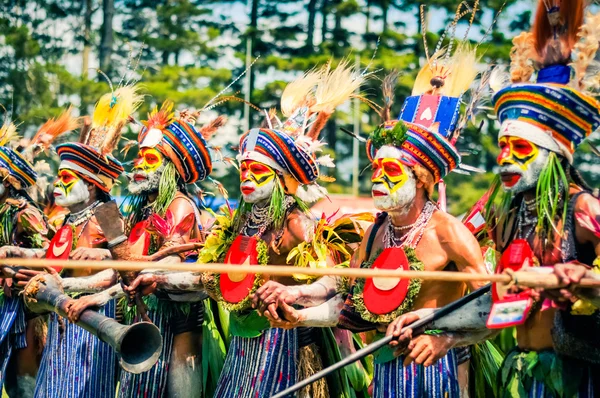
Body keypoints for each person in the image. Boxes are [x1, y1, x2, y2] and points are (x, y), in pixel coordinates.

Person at [255, 21, 493, 397]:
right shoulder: (376, 233)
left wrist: (444, 337)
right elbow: (344, 295)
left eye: (392, 171)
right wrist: (297, 305)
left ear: (424, 179)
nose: (378, 180)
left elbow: (491, 307)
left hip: (436, 371)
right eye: (377, 170)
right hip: (386, 372)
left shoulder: (449, 232)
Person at [66, 101, 224, 397]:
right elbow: (126, 269)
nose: (138, 165)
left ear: (171, 167)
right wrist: (71, 285)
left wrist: (97, 296)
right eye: (138, 158)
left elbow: (159, 269)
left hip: (178, 325)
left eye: (149, 159)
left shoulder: (179, 206)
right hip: (142, 317)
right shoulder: (142, 211)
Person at [483, 0, 600, 394]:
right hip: (520, 372)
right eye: (502, 148)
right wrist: (440, 333)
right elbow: (489, 294)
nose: (505, 160)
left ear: (553, 153)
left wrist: (573, 276)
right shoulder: (506, 216)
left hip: (574, 376)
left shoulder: (583, 209)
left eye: (520, 148)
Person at [0, 86, 142, 398]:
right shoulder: (70, 219)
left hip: (93, 326)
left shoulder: (106, 214)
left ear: (92, 186)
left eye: (66, 179)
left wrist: (97, 261)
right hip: (62, 322)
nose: (57, 185)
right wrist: (13, 253)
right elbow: (54, 256)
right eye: (59, 178)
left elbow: (125, 270)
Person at [0, 120, 51, 398]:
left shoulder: (26, 213)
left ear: (8, 181)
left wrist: (13, 267)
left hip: (23, 311)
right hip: (3, 305)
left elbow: (49, 256)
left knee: (24, 385)